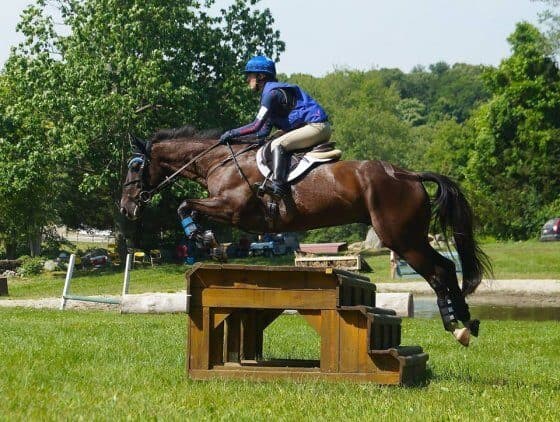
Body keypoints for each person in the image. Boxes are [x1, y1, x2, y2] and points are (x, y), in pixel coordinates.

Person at [219, 55, 331, 198]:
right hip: (315, 128)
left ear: (260, 76)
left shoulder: (271, 95)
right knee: (272, 142)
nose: (247, 79)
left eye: (250, 75)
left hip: (316, 127)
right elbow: (262, 133)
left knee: (278, 145)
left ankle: (278, 187)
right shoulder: (271, 94)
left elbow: (255, 126)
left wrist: (231, 133)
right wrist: (235, 140)